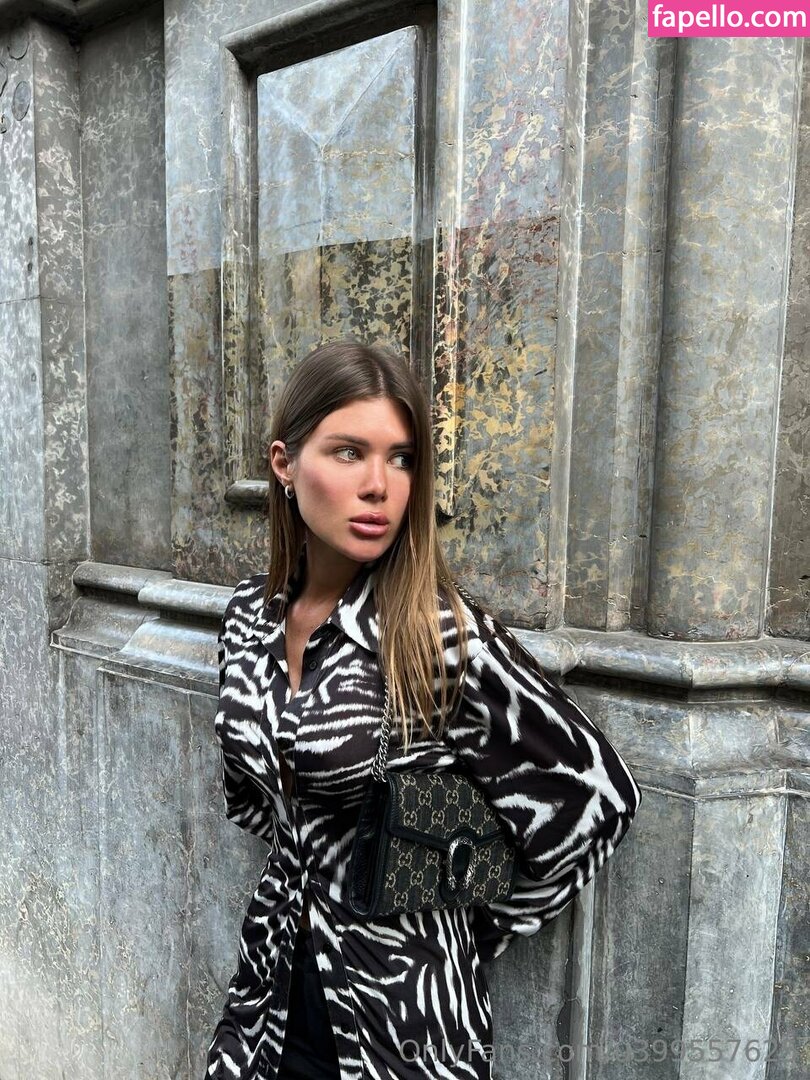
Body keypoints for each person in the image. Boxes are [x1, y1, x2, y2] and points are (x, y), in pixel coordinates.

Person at [205, 340, 642, 1080]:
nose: (379, 486)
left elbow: (597, 800)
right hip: (267, 1001)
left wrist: (461, 927)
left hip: (402, 1028)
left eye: (402, 459)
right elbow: (256, 800)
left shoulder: (436, 633)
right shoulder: (249, 616)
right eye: (349, 453)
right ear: (285, 464)